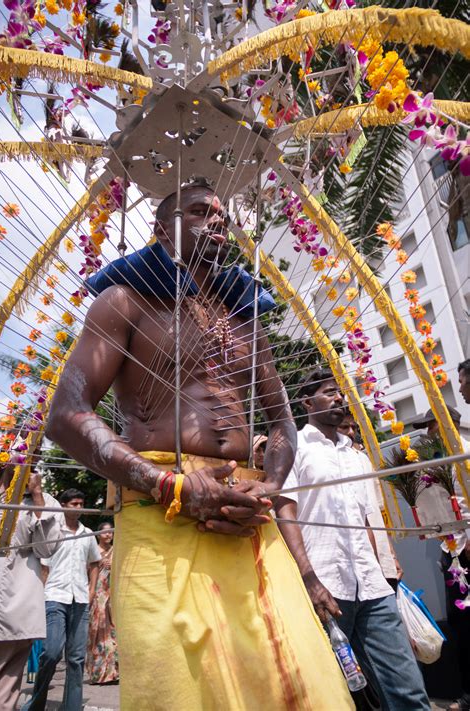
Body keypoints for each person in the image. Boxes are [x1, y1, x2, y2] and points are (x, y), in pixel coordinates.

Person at [44, 181, 353, 710]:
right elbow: (67, 415)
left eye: (223, 215)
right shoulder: (124, 302)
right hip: (160, 519)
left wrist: (269, 488)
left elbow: (281, 420)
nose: (217, 222)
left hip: (247, 517)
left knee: (292, 683)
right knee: (182, 689)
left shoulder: (243, 319)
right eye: (199, 212)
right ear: (162, 229)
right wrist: (169, 484)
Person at [276, 367, 430, 711]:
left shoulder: (356, 455)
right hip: (325, 588)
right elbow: (285, 512)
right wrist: (309, 580)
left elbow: (363, 520)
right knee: (333, 696)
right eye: (329, 391)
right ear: (306, 401)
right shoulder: (294, 447)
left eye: (341, 392)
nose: (338, 398)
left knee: (407, 689)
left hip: (373, 588)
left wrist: (381, 571)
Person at [411, 406, 470, 711]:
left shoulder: (464, 453)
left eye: (430, 427)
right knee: (462, 625)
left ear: (444, 425)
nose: (426, 435)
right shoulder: (434, 464)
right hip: (452, 552)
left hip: (467, 549)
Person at [23, 488, 101, 711]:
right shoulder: (54, 532)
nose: (78, 507)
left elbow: (94, 563)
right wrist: (42, 594)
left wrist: (92, 589)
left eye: (81, 503)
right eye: (74, 504)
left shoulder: (88, 533)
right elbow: (44, 567)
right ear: (64, 505)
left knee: (76, 659)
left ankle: (72, 707)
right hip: (55, 597)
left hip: (80, 599)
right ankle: (36, 703)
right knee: (52, 652)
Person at [0, 466, 63, 711]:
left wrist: (36, 497)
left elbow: (46, 549)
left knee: (5, 697)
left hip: (17, 607)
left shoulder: (45, 501)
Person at [338, 410, 403, 591]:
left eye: (354, 427)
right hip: (350, 565)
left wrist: (391, 556)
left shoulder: (364, 459)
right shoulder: (324, 461)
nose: (351, 432)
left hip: (381, 561)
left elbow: (378, 514)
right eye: (344, 427)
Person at [86, 521, 119, 685]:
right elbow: (85, 570)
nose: (108, 535)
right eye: (105, 532)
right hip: (99, 594)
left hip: (114, 594)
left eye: (111, 532)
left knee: (114, 632)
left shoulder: (117, 551)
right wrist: (99, 564)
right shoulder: (94, 551)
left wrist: (114, 566)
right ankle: (98, 673)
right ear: (98, 534)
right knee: (98, 632)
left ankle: (114, 673)